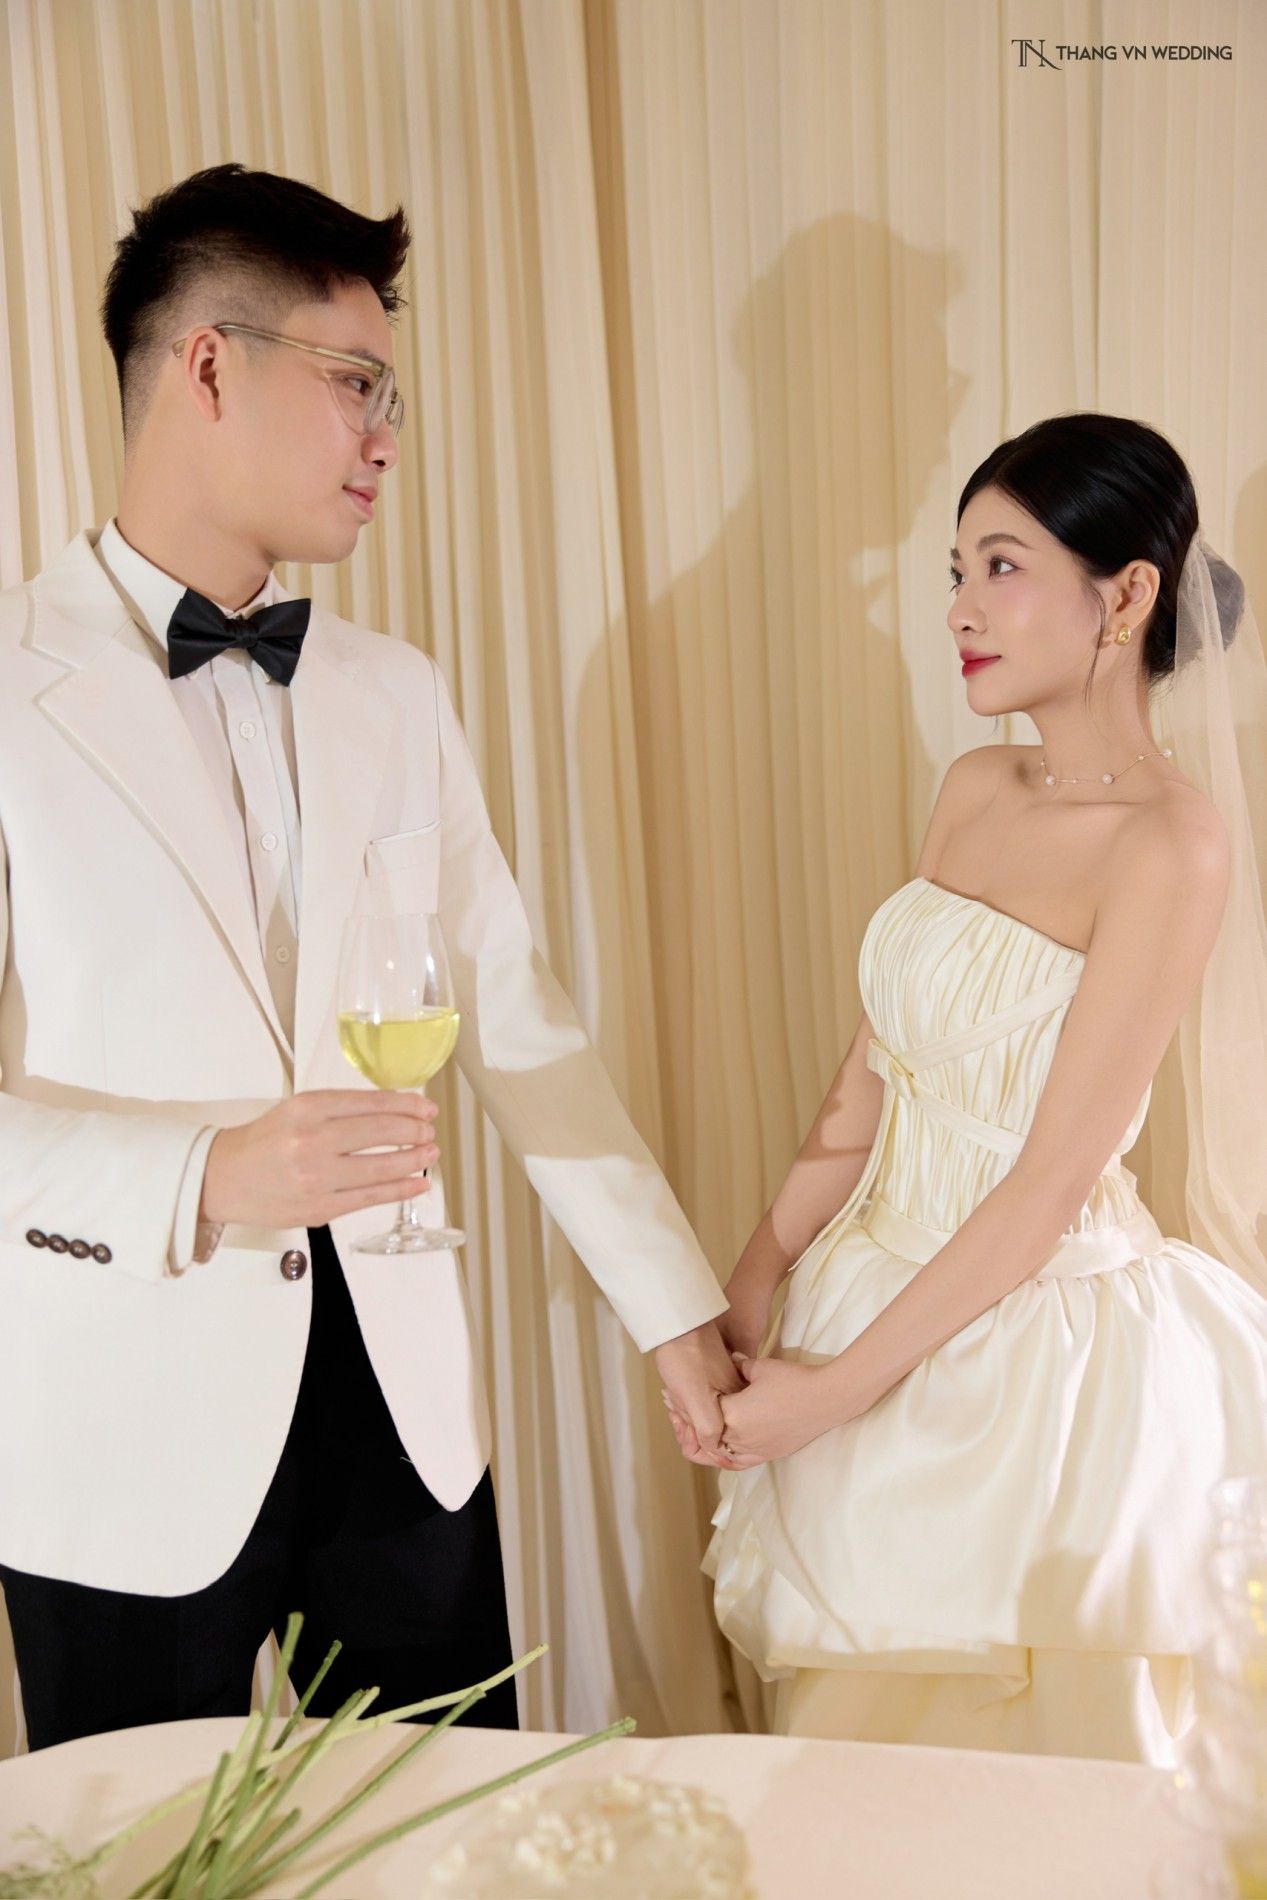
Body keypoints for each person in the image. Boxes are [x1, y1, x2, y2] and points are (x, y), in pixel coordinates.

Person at [0, 162, 738, 1752]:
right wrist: (204, 1175)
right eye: (355, 384)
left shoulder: (393, 689)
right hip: (116, 1427)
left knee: (453, 1833)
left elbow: (515, 1014)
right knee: (139, 1855)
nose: (387, 437)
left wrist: (672, 1308)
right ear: (209, 366)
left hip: (399, 1409)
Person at [688, 413, 1267, 1764]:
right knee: (855, 1767)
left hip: (1039, 1356)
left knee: (1037, 1775)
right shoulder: (974, 785)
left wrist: (834, 1393)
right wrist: (757, 1274)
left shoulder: (1173, 844)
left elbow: (1049, 1184)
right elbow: (869, 1079)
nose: (959, 609)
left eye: (1002, 567)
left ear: (1125, 594)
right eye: (957, 571)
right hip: (866, 1290)